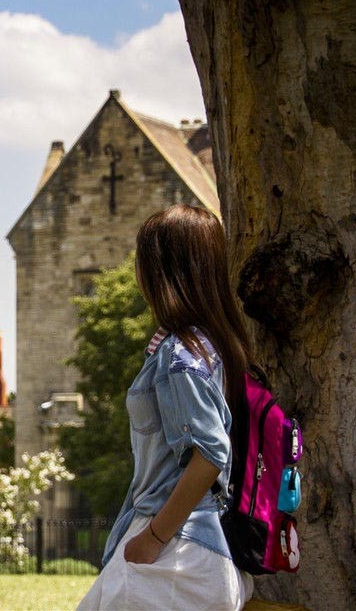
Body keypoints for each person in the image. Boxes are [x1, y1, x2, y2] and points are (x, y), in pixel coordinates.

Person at [78, 205, 254, 611]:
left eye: (142, 258)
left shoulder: (181, 356)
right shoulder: (208, 346)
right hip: (187, 548)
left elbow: (210, 454)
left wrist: (153, 538)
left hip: (176, 553)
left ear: (162, 270)